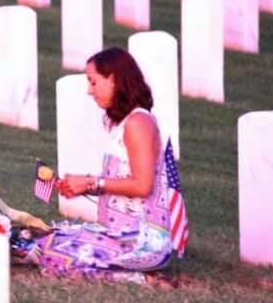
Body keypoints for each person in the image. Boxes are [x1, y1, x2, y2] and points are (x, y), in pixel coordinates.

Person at [37, 47, 174, 278]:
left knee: (55, 254)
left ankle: (138, 279)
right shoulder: (126, 122)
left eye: (93, 82)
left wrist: (93, 181)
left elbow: (142, 186)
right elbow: (123, 183)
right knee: (48, 241)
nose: (90, 91)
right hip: (120, 231)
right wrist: (84, 186)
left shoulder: (139, 122)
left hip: (143, 239)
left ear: (114, 79)